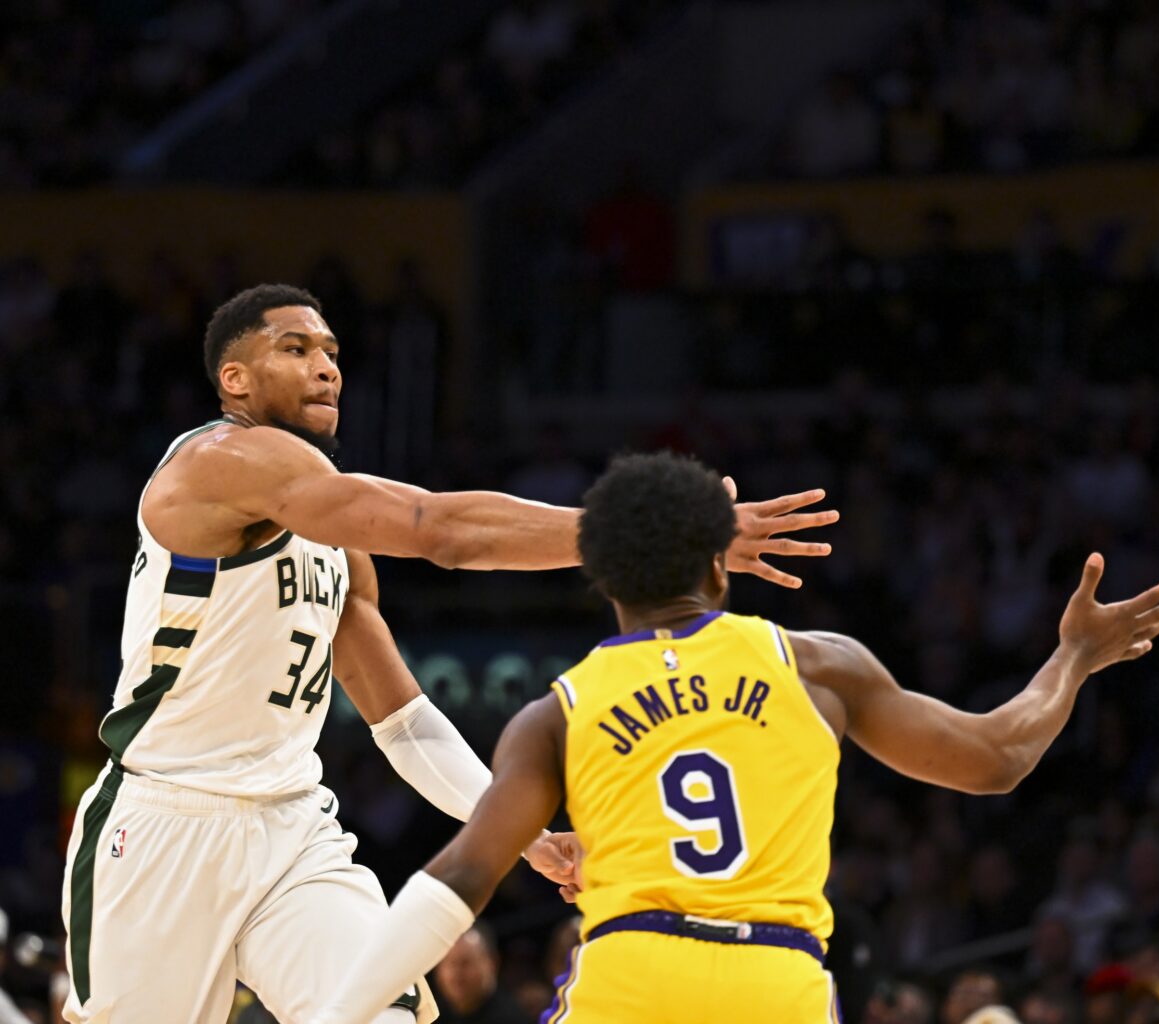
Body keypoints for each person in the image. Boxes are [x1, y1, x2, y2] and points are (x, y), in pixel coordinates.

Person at [61, 286, 837, 1024]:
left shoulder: (328, 528)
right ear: (234, 379)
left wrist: (523, 834)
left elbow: (401, 719)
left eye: (331, 350)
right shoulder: (217, 463)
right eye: (295, 349)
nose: (327, 365)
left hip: (290, 822)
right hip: (165, 821)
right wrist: (663, 529)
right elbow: (440, 529)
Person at [313, 450, 1159, 1023]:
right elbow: (999, 758)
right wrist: (1074, 657)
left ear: (601, 576)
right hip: (778, 982)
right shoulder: (817, 665)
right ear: (717, 562)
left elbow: (459, 879)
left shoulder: (559, 710)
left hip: (632, 974)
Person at [433, 924, 531, 1024]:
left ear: (492, 963)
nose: (457, 973)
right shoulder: (430, 1014)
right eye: (451, 963)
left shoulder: (512, 1018)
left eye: (465, 962)